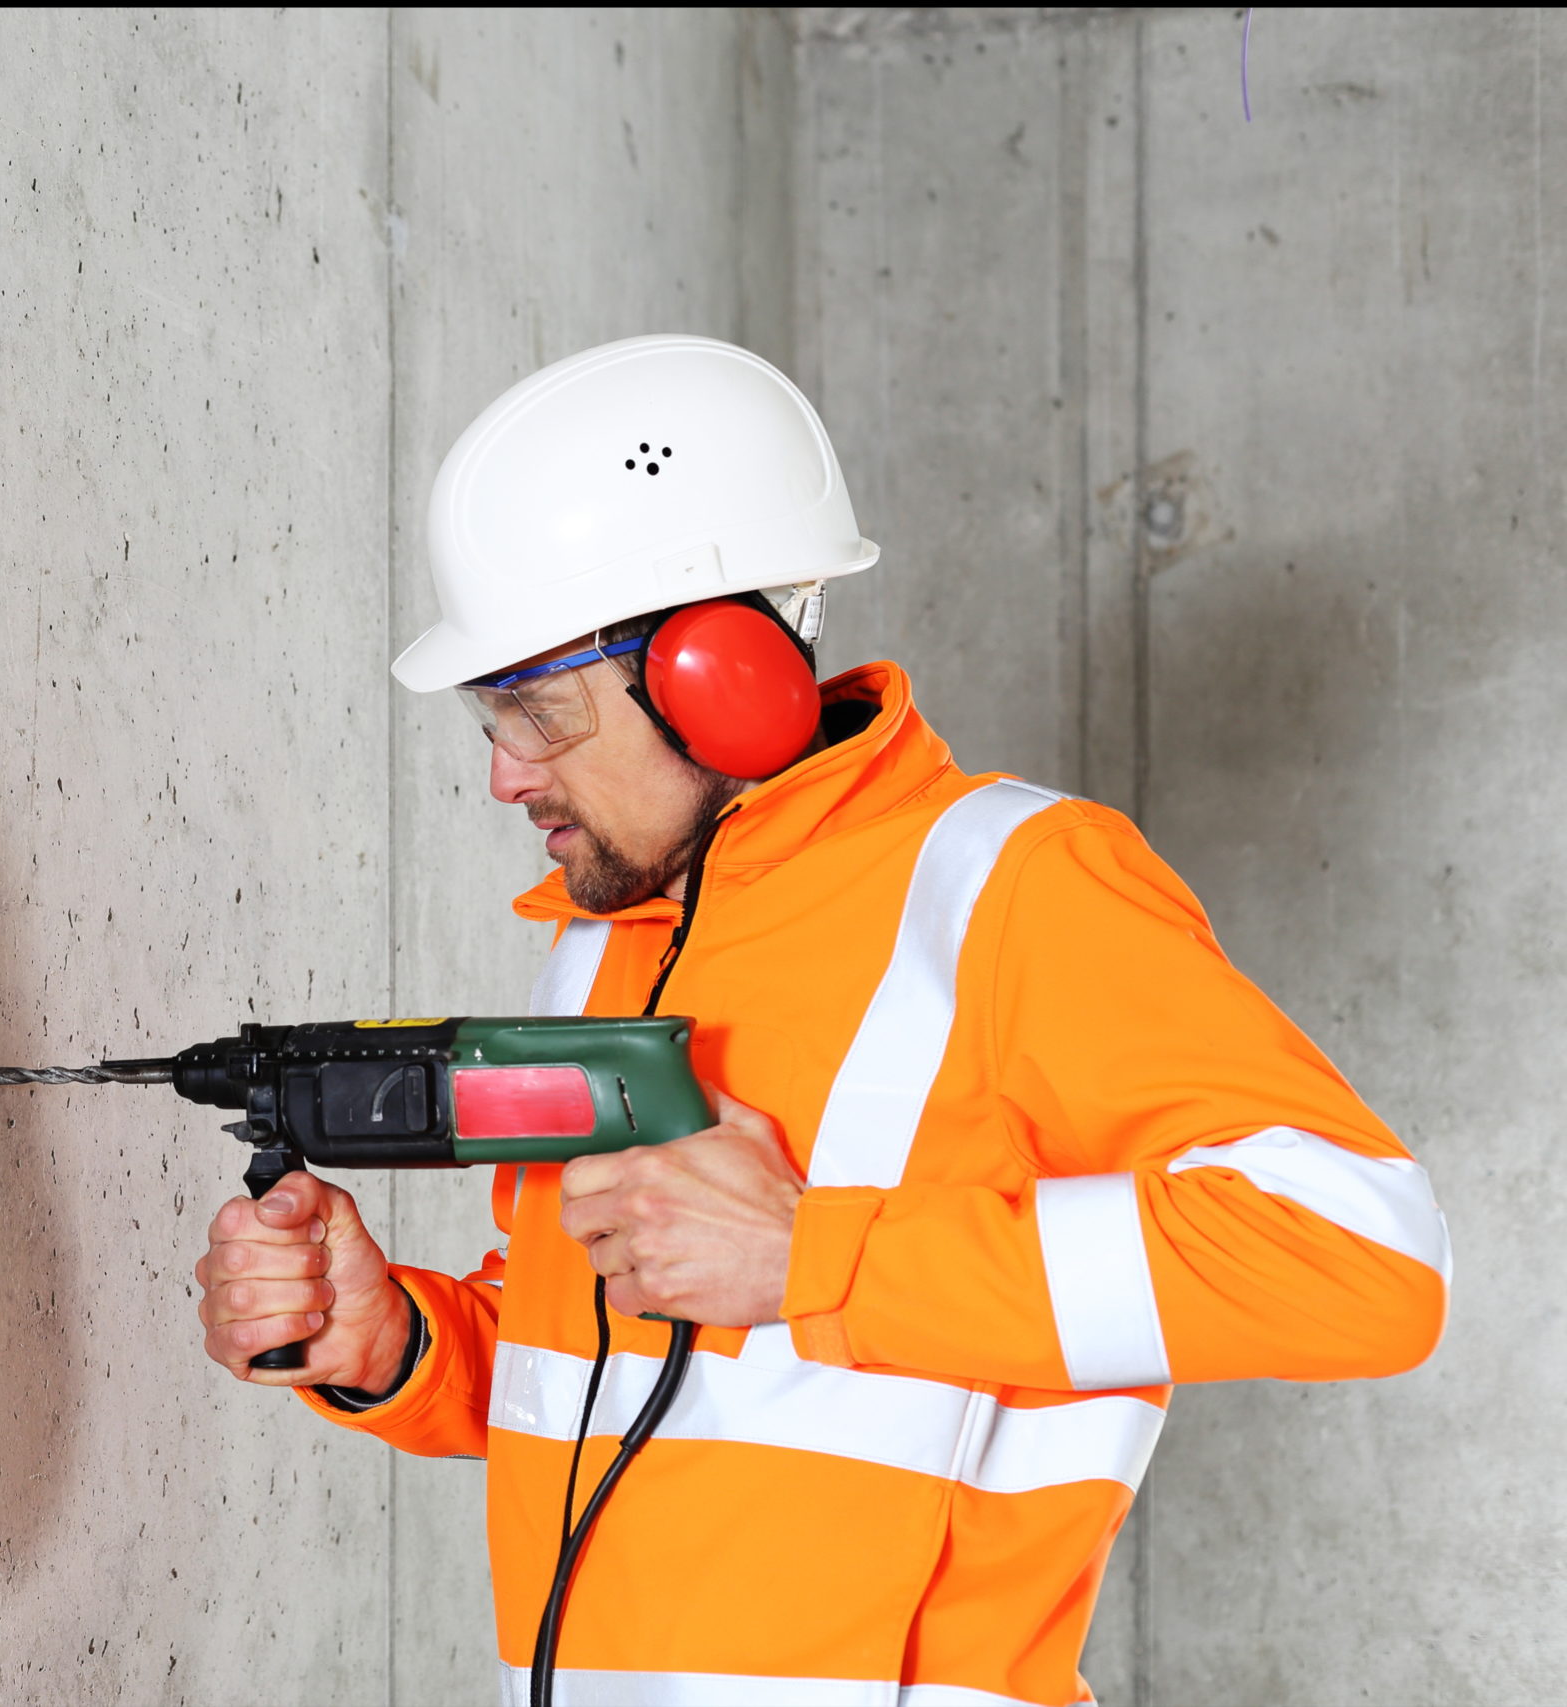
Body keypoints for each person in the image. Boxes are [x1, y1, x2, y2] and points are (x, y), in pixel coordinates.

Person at [191, 336, 1449, 1706]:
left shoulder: (1011, 887)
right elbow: (613, 1374)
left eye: (537, 714)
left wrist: (813, 1258)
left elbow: (1365, 1262)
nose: (503, 776)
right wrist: (399, 1347)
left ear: (720, 677)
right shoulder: (596, 953)